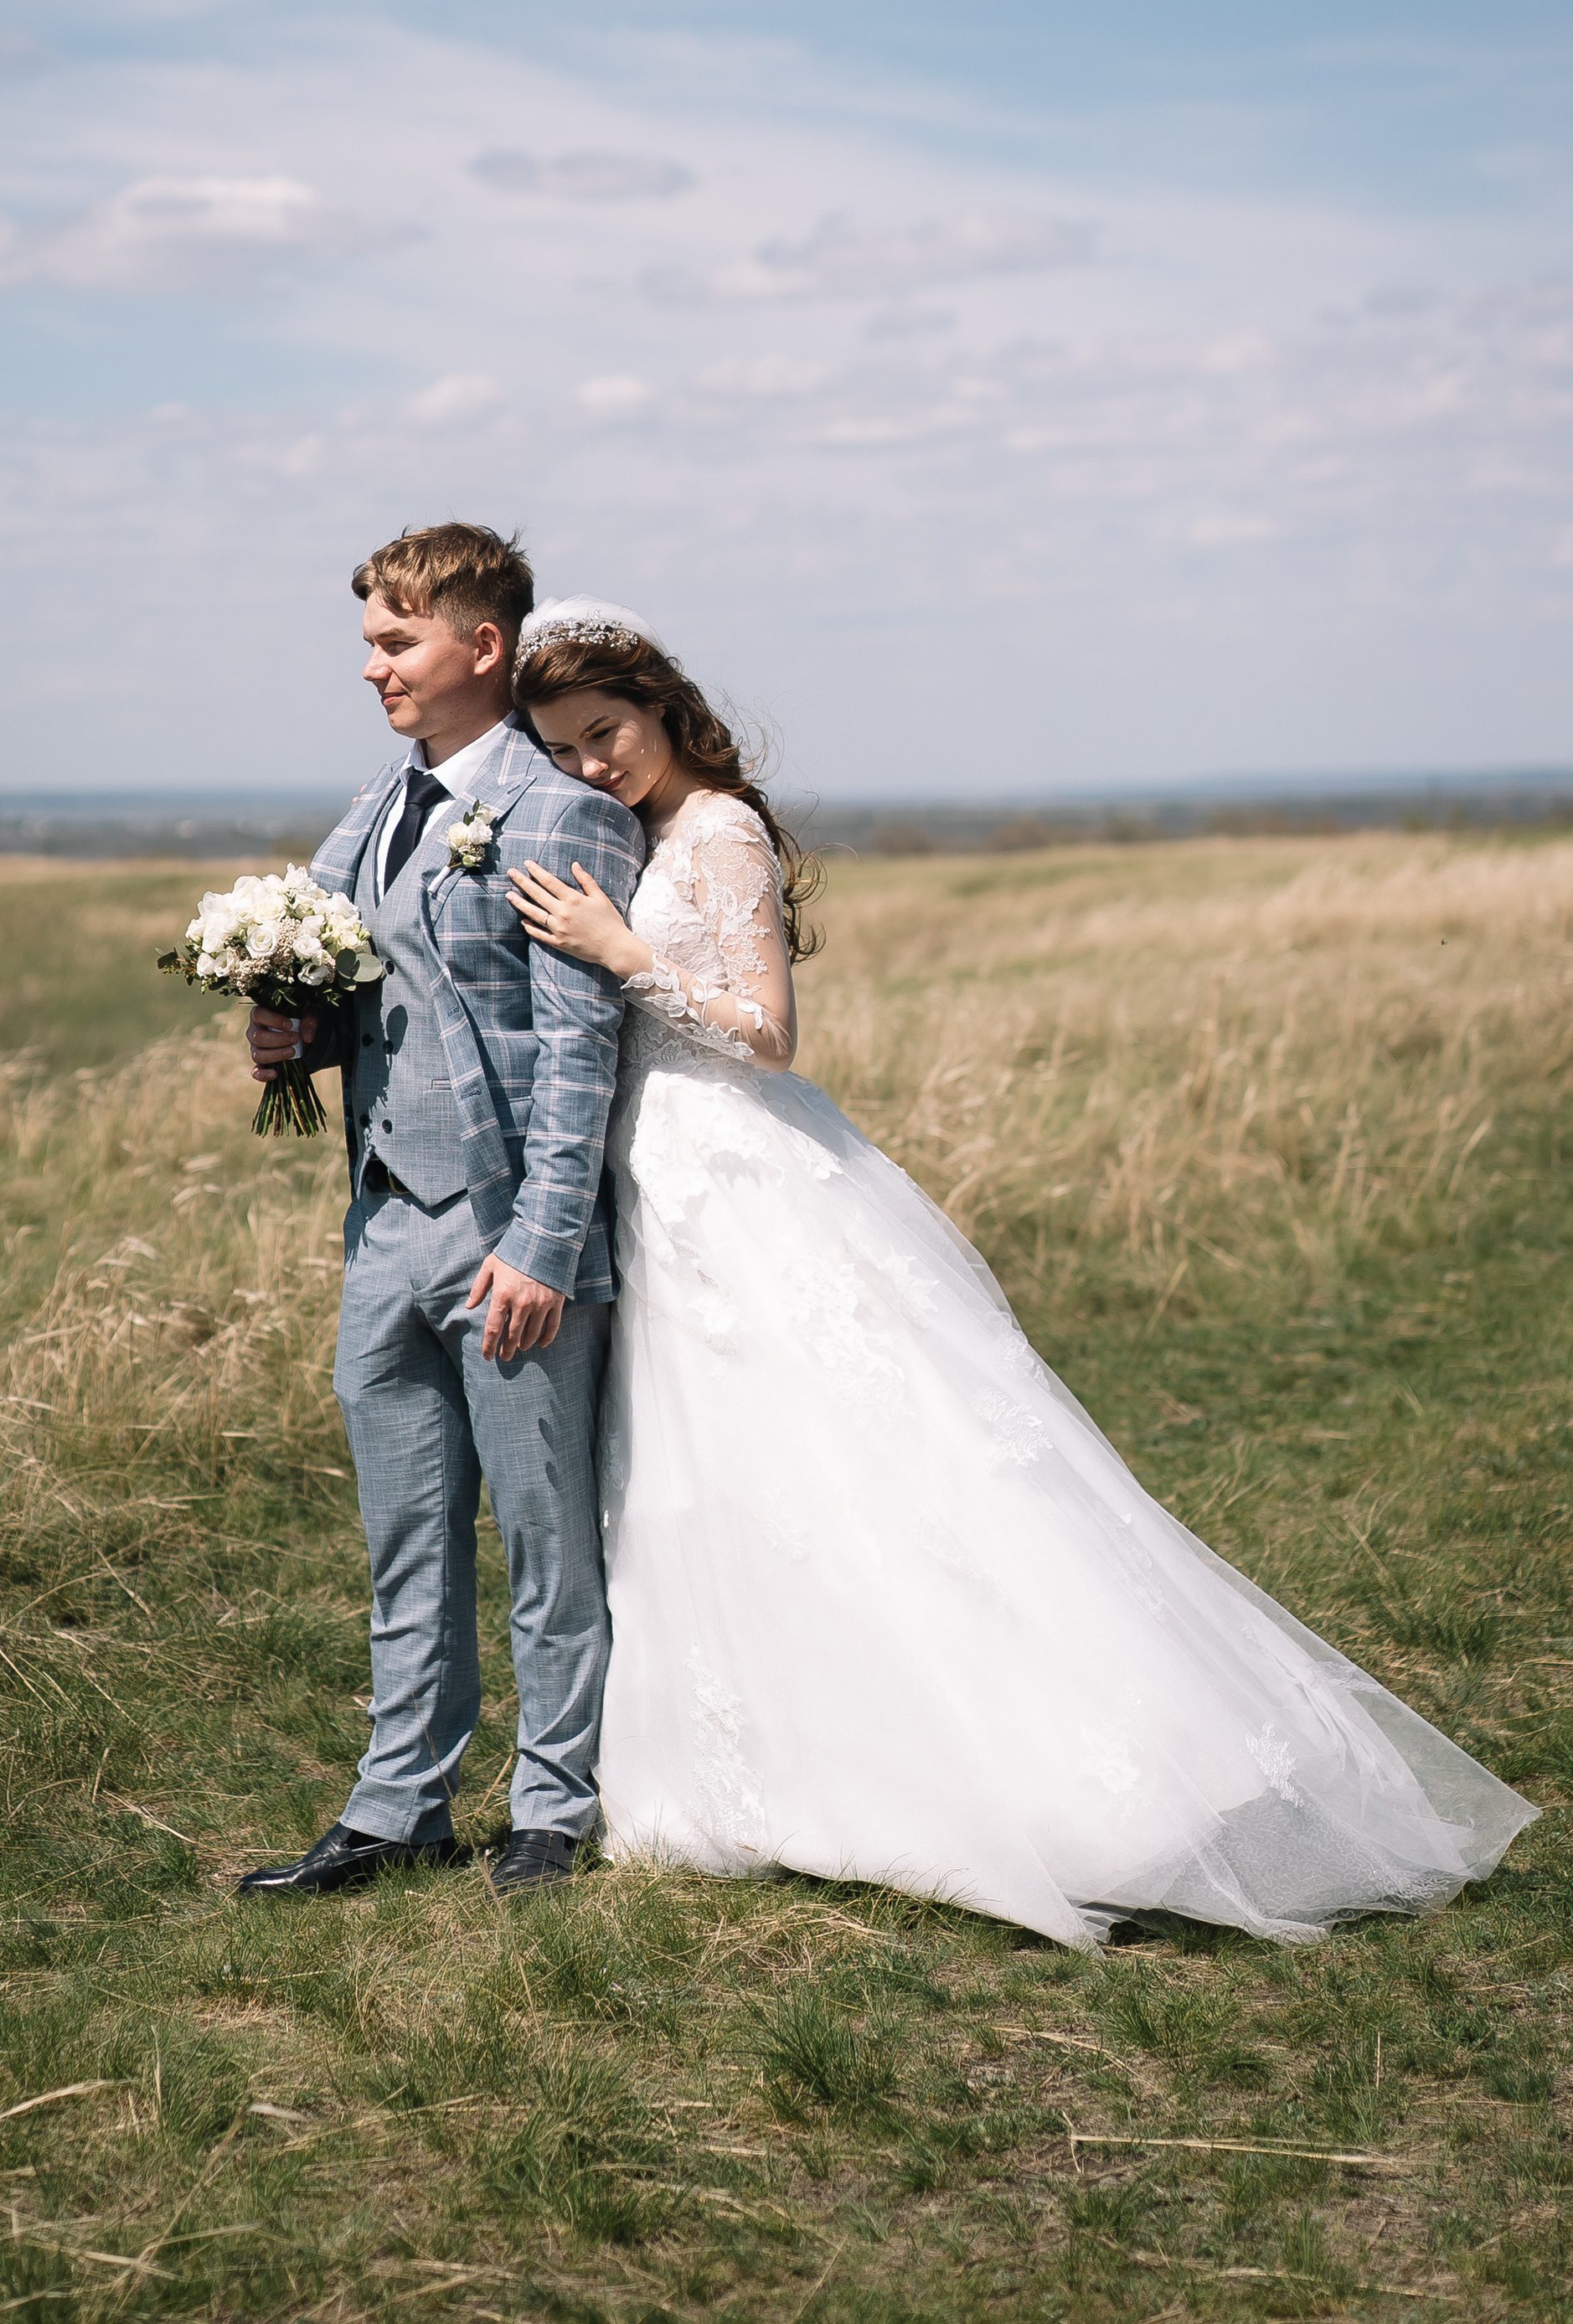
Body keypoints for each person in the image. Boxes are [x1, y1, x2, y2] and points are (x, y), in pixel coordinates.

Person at [503, 596, 1537, 1948]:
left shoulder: (721, 830)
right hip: (663, 1184)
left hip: (742, 1172)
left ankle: (1046, 1772)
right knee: (712, 1466)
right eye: (564, 749)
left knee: (856, 1456)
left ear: (660, 704)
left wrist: (627, 955)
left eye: (607, 732)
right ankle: (771, 1761)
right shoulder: (630, 833)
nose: (592, 765)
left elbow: (767, 1033)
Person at [237, 528, 641, 1899]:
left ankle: (554, 1805)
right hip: (382, 1224)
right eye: (368, 641)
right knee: (406, 1534)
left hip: (507, 1233)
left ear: (483, 645)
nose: (373, 667)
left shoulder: (563, 811)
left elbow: (579, 1053)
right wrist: (293, 1034)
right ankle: (396, 1805)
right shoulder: (374, 809)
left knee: (542, 1534)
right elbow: (378, 993)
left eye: (397, 641)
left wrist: (542, 1243)